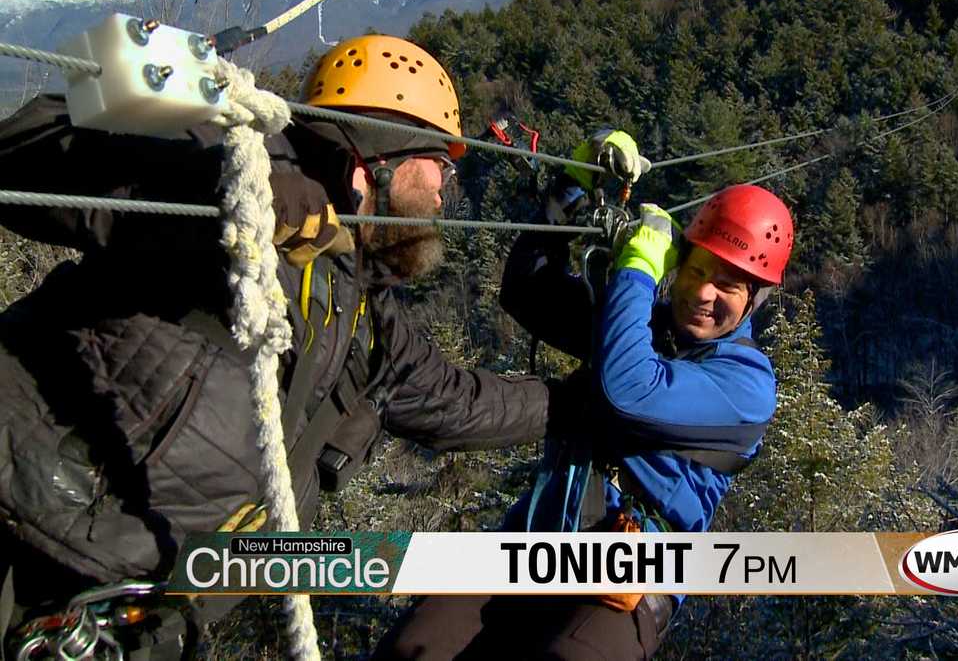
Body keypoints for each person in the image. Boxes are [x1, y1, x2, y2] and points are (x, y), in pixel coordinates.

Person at [0, 35, 549, 658]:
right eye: (440, 165)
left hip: (133, 618)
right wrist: (219, 189)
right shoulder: (241, 154)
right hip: (27, 537)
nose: (446, 190)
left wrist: (596, 399)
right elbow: (22, 152)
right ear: (380, 155)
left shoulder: (363, 311)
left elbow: (460, 403)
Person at [373, 131, 795, 660]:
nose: (703, 293)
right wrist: (572, 187)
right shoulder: (642, 324)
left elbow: (629, 391)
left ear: (754, 299)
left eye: (728, 285)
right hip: (541, 537)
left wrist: (636, 271)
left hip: (630, 571)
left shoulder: (747, 386)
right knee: (416, 647)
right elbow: (529, 290)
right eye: (696, 271)